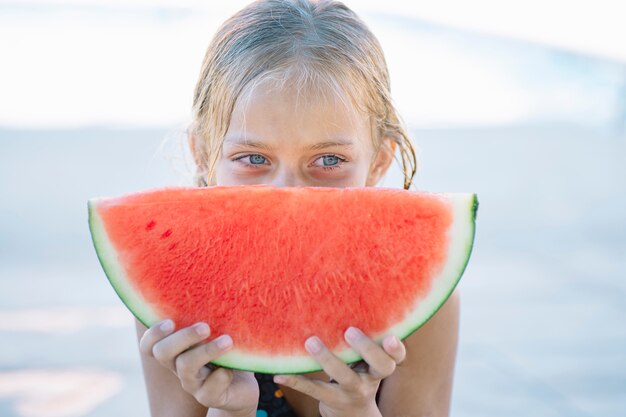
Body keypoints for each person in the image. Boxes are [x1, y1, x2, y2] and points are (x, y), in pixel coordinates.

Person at [135, 0, 460, 416]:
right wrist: (229, 409)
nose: (288, 195)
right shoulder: (175, 298)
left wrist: (356, 411)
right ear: (202, 154)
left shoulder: (427, 304)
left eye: (328, 161)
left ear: (379, 160)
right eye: (254, 159)